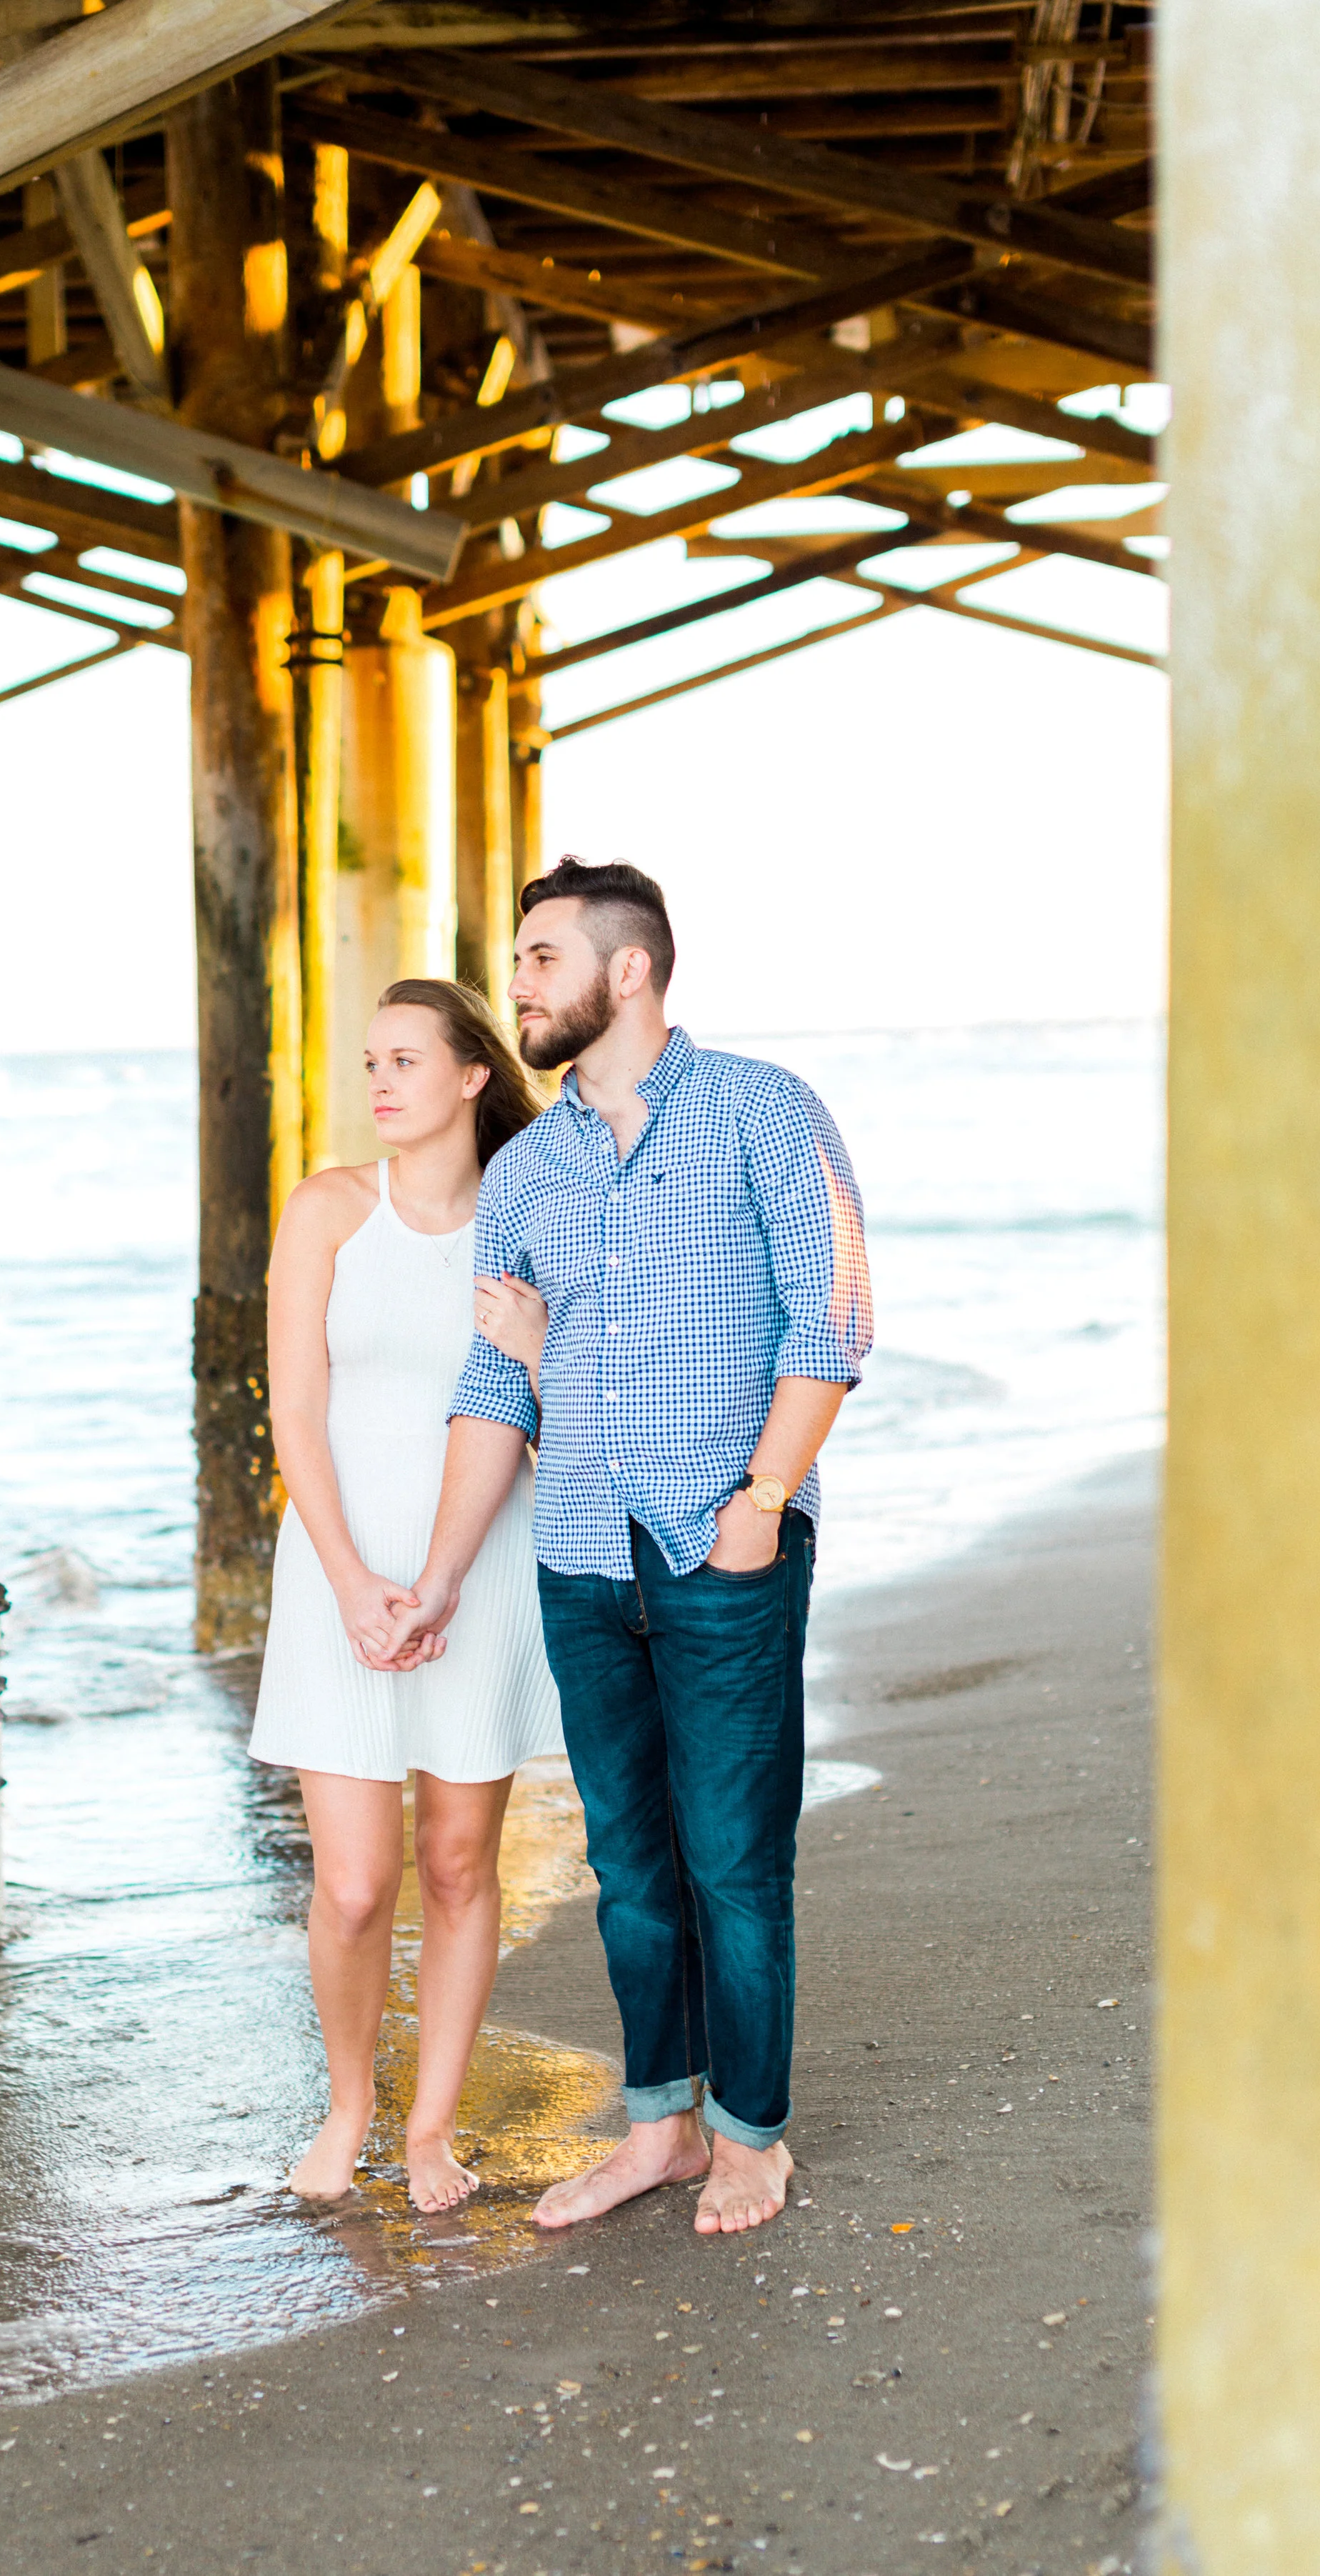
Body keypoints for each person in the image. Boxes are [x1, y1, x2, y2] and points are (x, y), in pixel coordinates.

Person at [380, 858, 873, 2239]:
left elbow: (828, 1324)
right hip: (582, 1550)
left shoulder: (764, 1112)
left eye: (538, 961)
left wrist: (761, 1504)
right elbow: (497, 1385)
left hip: (724, 1543)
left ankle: (750, 2138)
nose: (518, 987)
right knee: (631, 1864)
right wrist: (437, 1573)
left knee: (731, 1855)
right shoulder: (528, 1167)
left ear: (629, 969)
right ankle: (660, 2123)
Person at [251, 978, 564, 2213]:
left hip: (481, 1565)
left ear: (474, 1075)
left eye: (406, 1060)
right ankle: (348, 2103)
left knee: (455, 1861)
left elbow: (560, 1410)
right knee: (354, 1882)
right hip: (339, 1569)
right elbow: (295, 1415)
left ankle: (432, 2125)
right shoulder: (327, 1210)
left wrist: (545, 1342)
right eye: (369, 1060)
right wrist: (350, 1581)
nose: (379, 1083)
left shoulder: (526, 1220)